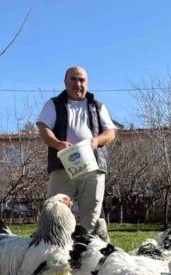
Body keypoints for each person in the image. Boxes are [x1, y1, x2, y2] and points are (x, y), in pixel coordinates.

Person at [36, 66, 116, 231]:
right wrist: (58, 144)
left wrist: (97, 141)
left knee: (92, 213)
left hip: (93, 165)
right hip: (62, 164)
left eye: (82, 80)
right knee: (56, 212)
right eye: (73, 79)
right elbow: (43, 129)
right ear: (65, 82)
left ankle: (89, 251)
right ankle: (56, 251)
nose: (78, 84)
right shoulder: (53, 104)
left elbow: (110, 133)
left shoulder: (98, 105)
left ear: (87, 83)